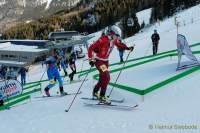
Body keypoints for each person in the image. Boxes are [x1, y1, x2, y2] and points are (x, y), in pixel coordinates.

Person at [88, 25, 134, 103]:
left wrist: (128, 48)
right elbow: (91, 47)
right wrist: (91, 59)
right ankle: (102, 96)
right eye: (117, 36)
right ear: (112, 34)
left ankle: (95, 92)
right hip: (99, 61)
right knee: (107, 77)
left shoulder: (114, 40)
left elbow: (120, 45)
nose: (117, 38)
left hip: (105, 61)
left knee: (103, 78)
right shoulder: (103, 39)